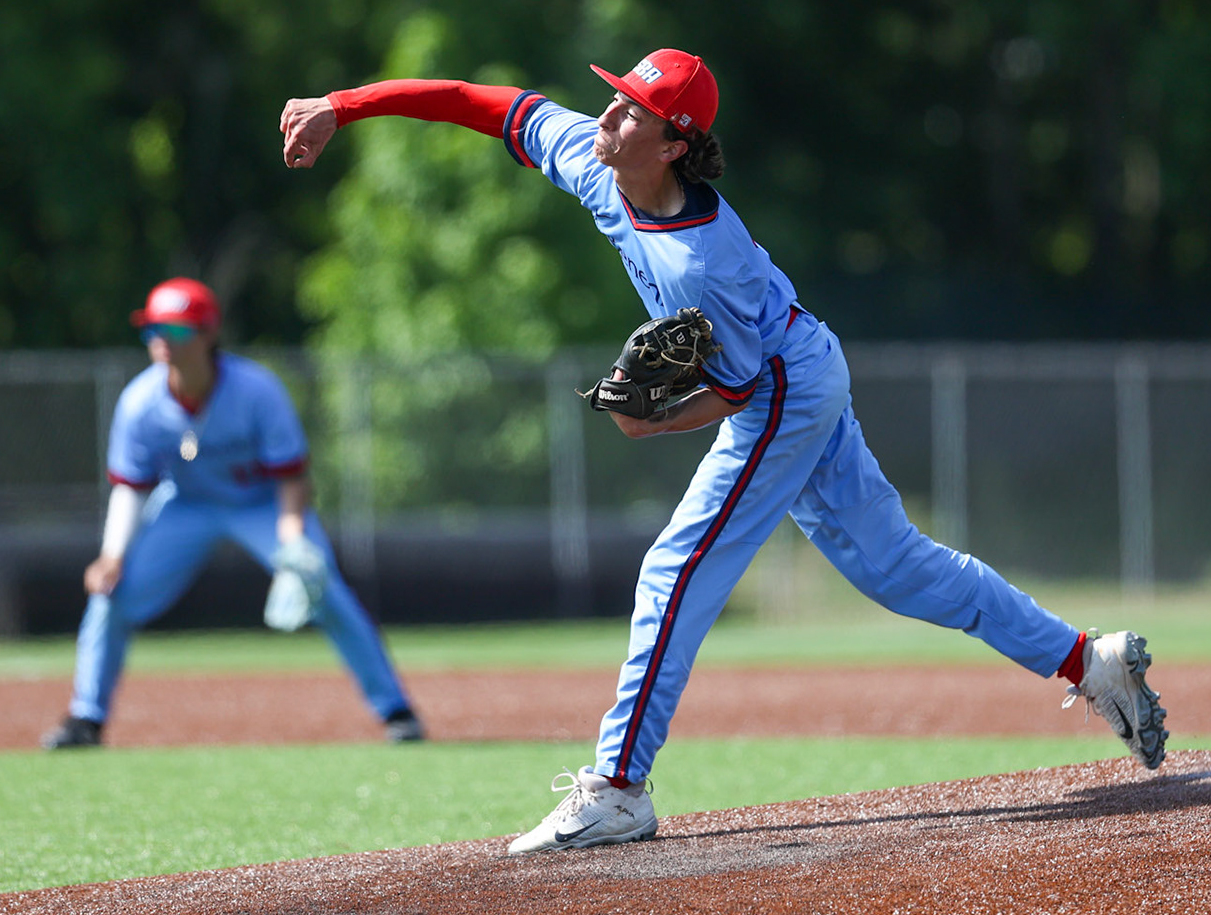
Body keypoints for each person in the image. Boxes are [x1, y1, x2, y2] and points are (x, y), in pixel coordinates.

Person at [277, 50, 1165, 851]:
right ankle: (1088, 660)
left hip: (783, 388)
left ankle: (618, 788)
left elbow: (737, 393)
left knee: (675, 570)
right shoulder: (594, 158)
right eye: (615, 97)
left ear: (673, 145)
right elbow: (477, 100)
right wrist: (343, 106)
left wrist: (650, 422)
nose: (608, 114)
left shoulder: (706, 261)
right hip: (800, 358)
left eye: (631, 110)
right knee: (897, 568)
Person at [40, 277, 425, 749]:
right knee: (109, 594)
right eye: (153, 329)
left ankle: (396, 710)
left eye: (176, 329)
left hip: (261, 505)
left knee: (326, 590)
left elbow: (293, 477)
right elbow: (131, 487)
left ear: (208, 334)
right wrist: (112, 555)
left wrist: (292, 540)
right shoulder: (140, 403)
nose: (162, 340)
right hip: (186, 505)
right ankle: (86, 717)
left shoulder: (257, 391)